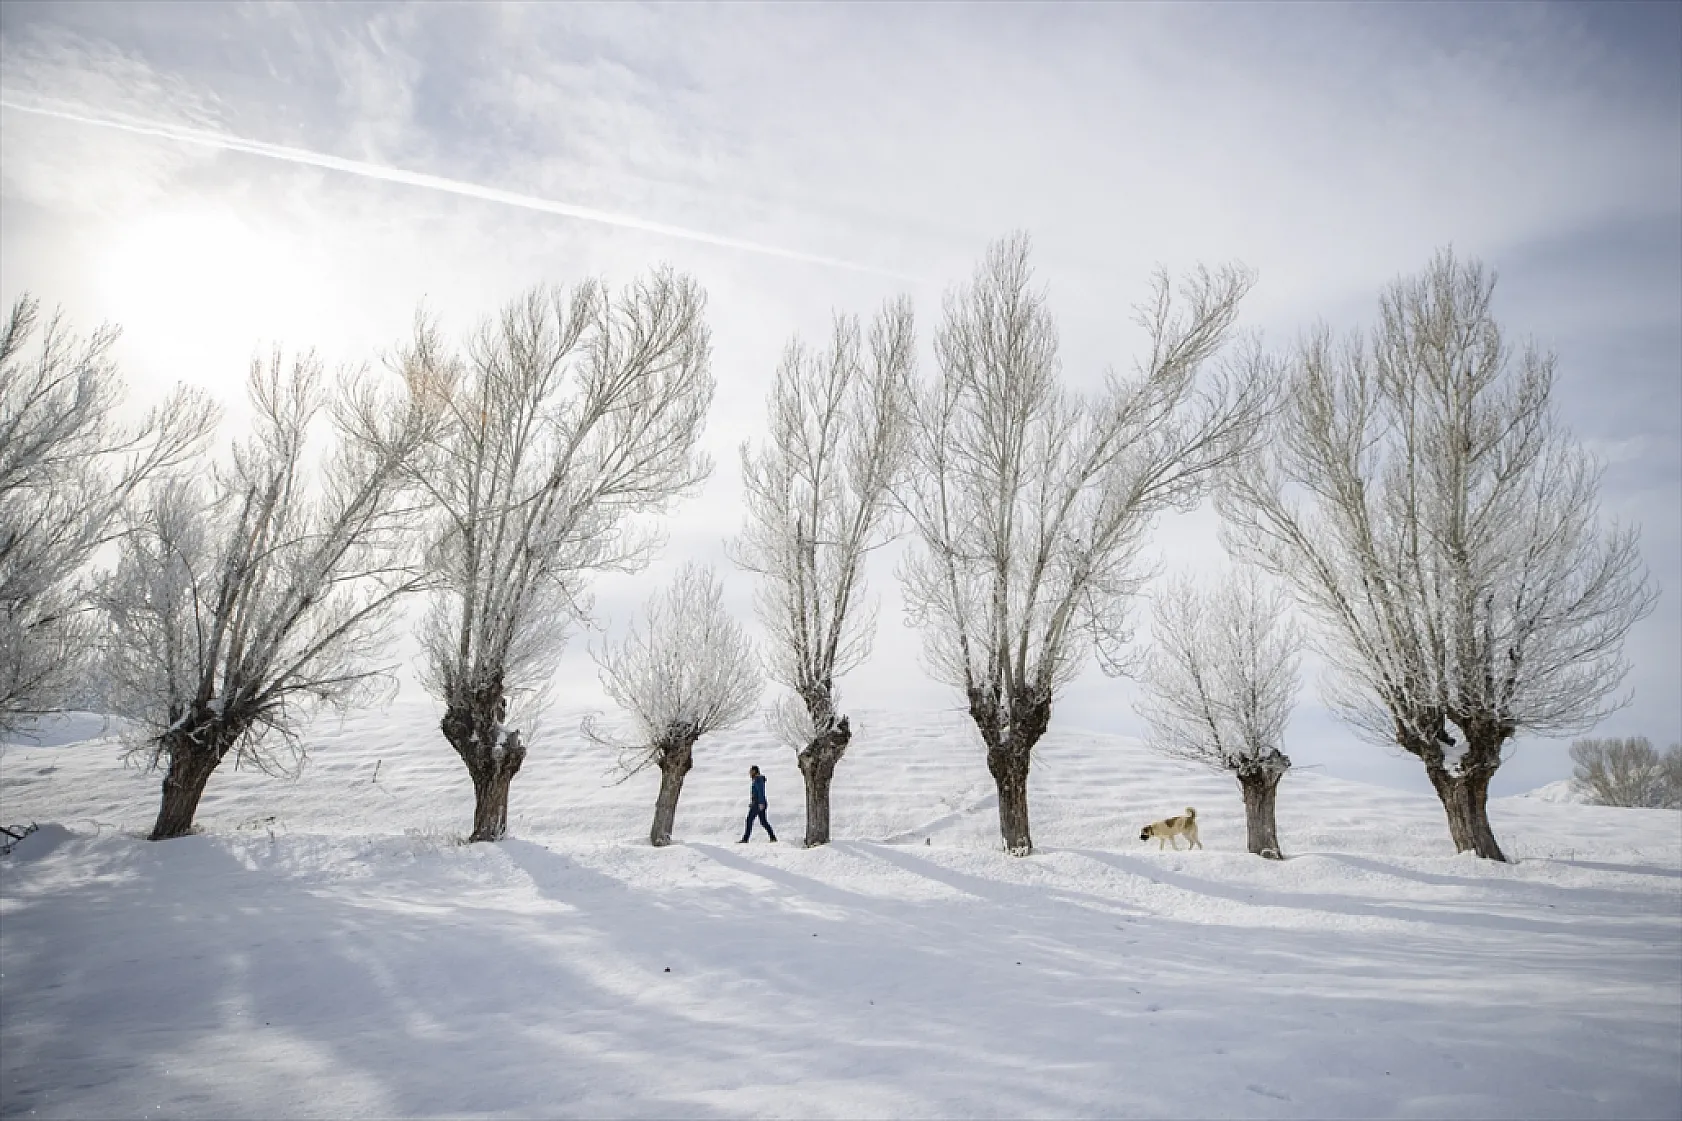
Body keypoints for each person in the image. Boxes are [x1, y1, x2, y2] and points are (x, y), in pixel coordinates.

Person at [740, 765, 776, 843]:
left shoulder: (758, 780)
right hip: (758, 803)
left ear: (754, 771)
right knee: (763, 821)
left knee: (749, 820)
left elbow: (760, 792)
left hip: (758, 804)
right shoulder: (757, 779)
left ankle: (745, 839)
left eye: (750, 771)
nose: (749, 773)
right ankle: (773, 837)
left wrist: (760, 803)